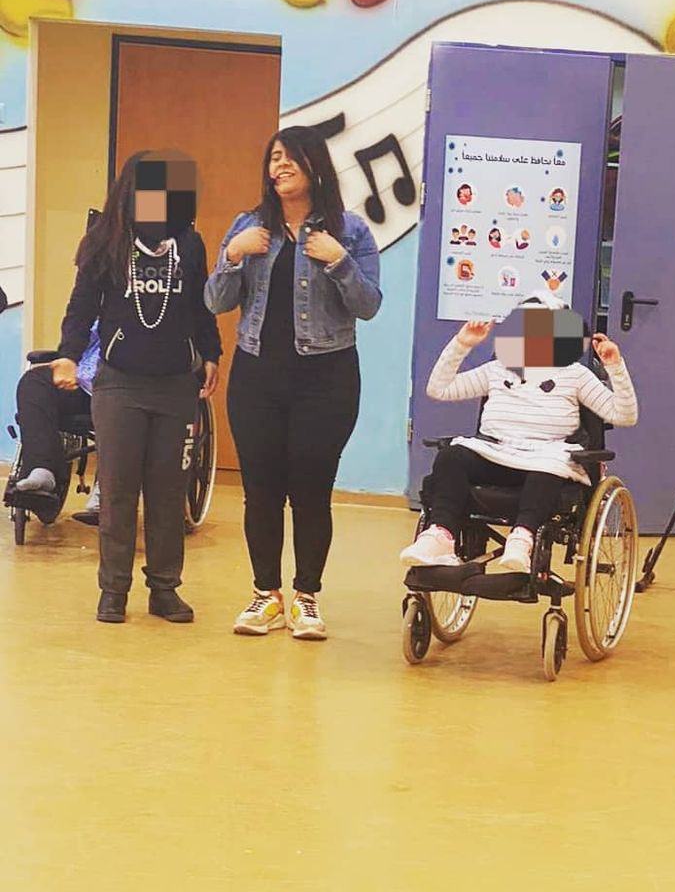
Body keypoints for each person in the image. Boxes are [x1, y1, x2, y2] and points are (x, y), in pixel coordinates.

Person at [205, 125, 382, 641]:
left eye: (288, 157)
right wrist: (232, 256)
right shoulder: (248, 227)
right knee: (260, 491)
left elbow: (369, 306)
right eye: (273, 158)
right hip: (257, 376)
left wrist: (339, 261)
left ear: (313, 164)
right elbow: (215, 301)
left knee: (311, 490)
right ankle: (266, 595)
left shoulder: (350, 232)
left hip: (327, 378)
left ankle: (306, 597)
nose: (278, 166)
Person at [56, 150, 222, 624]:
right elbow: (81, 306)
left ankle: (165, 588)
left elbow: (201, 306)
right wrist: (68, 354)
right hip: (119, 386)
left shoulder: (188, 243)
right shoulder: (104, 241)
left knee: (168, 493)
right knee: (119, 492)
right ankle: (113, 589)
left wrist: (211, 353)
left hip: (175, 385)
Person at [400, 302, 638, 573]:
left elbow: (624, 415)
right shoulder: (497, 369)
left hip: (545, 457)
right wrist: (462, 344)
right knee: (451, 456)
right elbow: (438, 389)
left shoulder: (576, 375)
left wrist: (615, 367)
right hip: (496, 453)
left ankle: (522, 539)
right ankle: (440, 537)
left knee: (549, 465)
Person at [12, 328, 101, 521]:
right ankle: (42, 470)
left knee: (126, 400)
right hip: (83, 383)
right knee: (34, 381)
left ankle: (109, 488)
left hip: (124, 387)